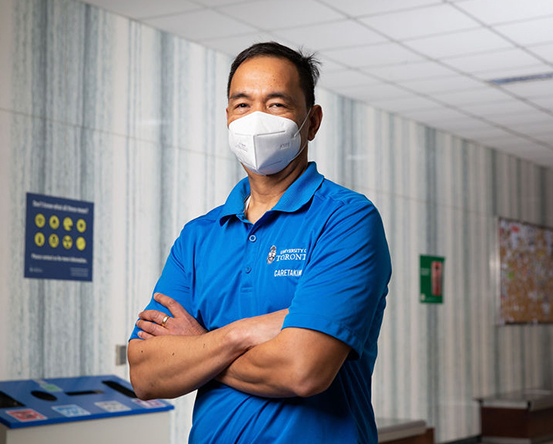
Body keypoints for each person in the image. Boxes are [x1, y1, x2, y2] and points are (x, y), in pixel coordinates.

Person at [128, 42, 391, 444]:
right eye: (242, 105)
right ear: (228, 117)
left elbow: (303, 369)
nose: (256, 119)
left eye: (277, 104)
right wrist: (242, 334)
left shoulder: (346, 219)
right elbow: (146, 373)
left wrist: (197, 347)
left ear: (313, 121)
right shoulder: (198, 237)